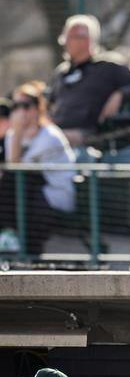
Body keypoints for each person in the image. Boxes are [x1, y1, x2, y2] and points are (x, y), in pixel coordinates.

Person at [47, 14, 130, 146]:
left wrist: (119, 95)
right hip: (57, 130)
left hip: (91, 133)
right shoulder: (62, 72)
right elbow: (48, 103)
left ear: (87, 40)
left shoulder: (108, 66)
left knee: (53, 140)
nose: (64, 41)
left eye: (70, 37)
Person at [1, 81, 76, 259]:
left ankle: (24, 248)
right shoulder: (13, 135)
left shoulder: (50, 136)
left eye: (26, 106)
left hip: (55, 196)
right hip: (30, 196)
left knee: (16, 180)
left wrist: (18, 131)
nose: (20, 112)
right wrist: (17, 133)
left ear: (37, 108)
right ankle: (8, 235)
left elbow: (17, 169)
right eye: (16, 106)